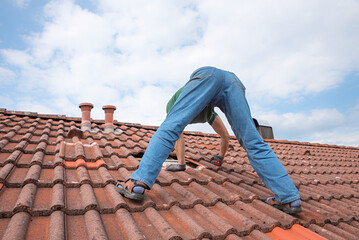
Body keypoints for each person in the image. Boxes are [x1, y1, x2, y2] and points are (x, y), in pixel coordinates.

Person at [117, 66, 302, 214]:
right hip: (233, 81)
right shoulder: (193, 107)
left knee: (170, 127)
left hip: (208, 75)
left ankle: (137, 183)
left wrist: (218, 157)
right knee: (253, 141)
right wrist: (181, 163)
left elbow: (180, 132)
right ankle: (289, 197)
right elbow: (185, 134)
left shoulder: (194, 106)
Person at [165, 86, 230, 171]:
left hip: (204, 111)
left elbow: (225, 136)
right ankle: (181, 163)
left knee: (225, 135)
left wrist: (220, 157)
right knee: (177, 131)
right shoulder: (176, 110)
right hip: (178, 109)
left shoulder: (209, 112)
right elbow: (177, 134)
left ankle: (219, 157)